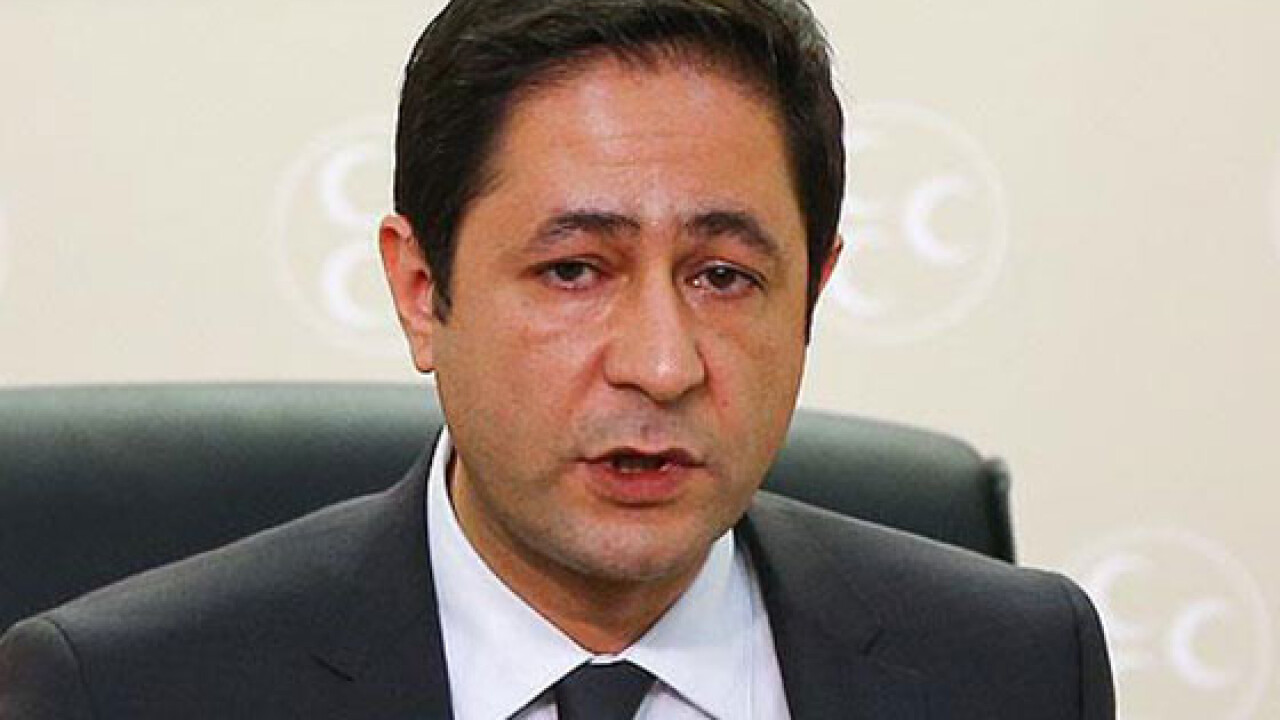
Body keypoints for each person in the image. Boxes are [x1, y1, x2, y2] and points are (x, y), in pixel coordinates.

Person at [0, 0, 1114, 717]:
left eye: (723, 277)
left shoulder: (1014, 669)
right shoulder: (128, 693)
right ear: (421, 290)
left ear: (812, 296)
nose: (662, 366)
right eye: (575, 270)